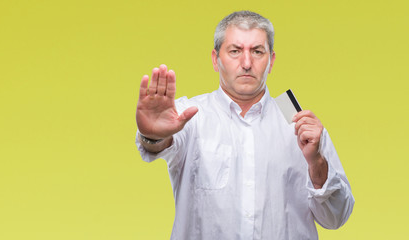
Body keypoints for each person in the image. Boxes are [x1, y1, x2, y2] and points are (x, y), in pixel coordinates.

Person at [135, 10, 354, 240]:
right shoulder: (189, 116)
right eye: (235, 51)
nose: (247, 63)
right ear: (215, 59)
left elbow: (336, 218)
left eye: (257, 51)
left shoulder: (301, 126)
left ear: (271, 61)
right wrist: (151, 136)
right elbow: (161, 141)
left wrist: (317, 163)